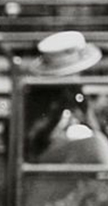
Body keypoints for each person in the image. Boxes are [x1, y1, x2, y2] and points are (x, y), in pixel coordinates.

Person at [25, 30, 108, 164]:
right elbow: (33, 139)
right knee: (95, 146)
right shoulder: (39, 95)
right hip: (44, 155)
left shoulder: (75, 90)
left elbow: (92, 124)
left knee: (97, 144)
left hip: (72, 151)